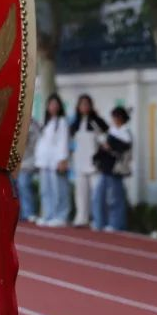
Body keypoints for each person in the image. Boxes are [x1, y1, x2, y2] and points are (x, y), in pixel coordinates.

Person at [69, 95, 109, 228]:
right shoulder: (75, 124)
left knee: (96, 194)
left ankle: (97, 219)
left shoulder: (98, 122)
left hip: (94, 164)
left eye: (87, 104)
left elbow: (105, 141)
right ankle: (81, 217)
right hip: (80, 163)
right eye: (82, 104)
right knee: (80, 194)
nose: (84, 107)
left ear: (91, 106)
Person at [93, 107, 133, 232]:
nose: (115, 119)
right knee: (98, 196)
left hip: (116, 169)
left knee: (115, 198)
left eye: (117, 117)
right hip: (106, 168)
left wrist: (110, 145)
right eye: (114, 117)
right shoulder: (111, 131)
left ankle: (116, 224)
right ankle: (99, 222)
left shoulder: (126, 133)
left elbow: (123, 147)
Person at [35, 93, 71, 227]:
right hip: (45, 162)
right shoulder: (46, 122)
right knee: (45, 190)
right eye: (51, 104)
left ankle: (61, 215)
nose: (53, 106)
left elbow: (63, 142)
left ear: (60, 106)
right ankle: (48, 214)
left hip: (56, 162)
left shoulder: (61, 122)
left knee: (59, 189)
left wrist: (62, 159)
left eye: (55, 104)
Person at [14, 115, 40, 222]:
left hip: (29, 161)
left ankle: (29, 212)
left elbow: (34, 143)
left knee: (24, 185)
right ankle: (20, 213)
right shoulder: (16, 121)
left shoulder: (34, 125)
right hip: (16, 162)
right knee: (16, 188)